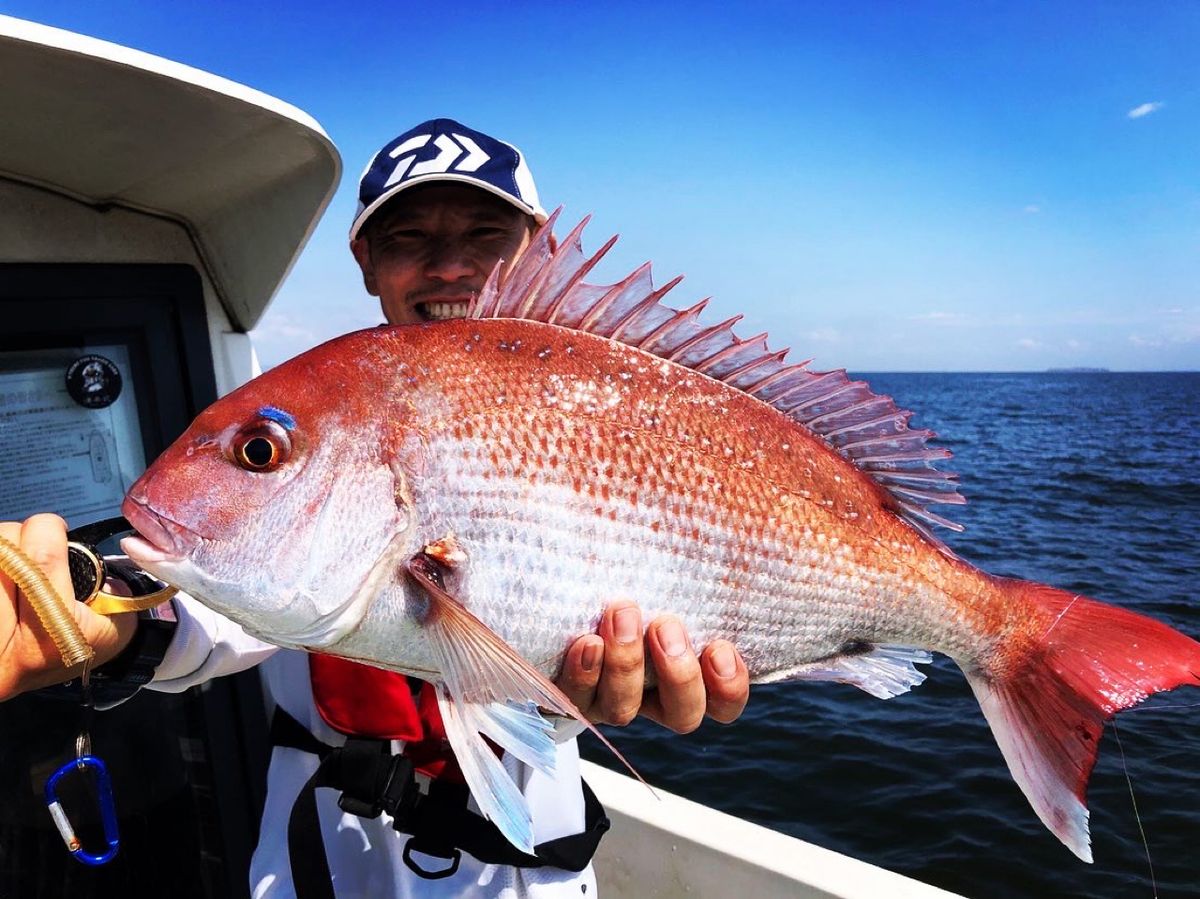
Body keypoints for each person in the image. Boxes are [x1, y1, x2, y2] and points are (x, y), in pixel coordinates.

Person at [0, 119, 750, 898]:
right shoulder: (334, 414)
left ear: (534, 246)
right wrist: (102, 618)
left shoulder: (602, 396)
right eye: (407, 237)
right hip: (327, 863)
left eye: (486, 235)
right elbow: (209, 610)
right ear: (366, 261)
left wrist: (650, 678)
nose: (450, 265)